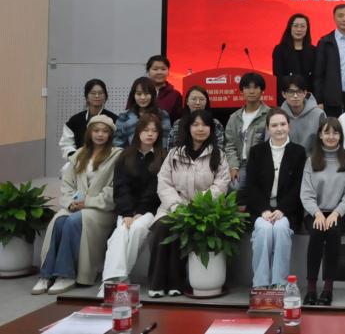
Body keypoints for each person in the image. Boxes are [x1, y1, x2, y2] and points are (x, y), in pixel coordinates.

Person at [33, 115, 121, 295]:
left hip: (100, 210)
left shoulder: (117, 155)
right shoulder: (79, 154)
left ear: (110, 135)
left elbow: (114, 190)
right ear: (89, 133)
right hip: (76, 206)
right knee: (59, 221)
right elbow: (67, 185)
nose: (100, 135)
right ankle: (46, 275)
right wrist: (70, 203)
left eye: (105, 131)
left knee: (73, 221)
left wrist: (87, 202)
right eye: (96, 131)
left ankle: (65, 275)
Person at [147, 109, 230, 297]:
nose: (200, 129)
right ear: (188, 128)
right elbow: (164, 183)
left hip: (205, 210)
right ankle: (157, 283)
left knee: (186, 230)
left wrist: (198, 205)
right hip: (175, 207)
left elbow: (221, 185)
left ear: (211, 129)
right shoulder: (175, 154)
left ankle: (176, 283)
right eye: (196, 124)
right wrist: (176, 205)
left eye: (205, 125)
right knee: (162, 227)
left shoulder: (219, 155)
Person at [98, 113, 165, 291]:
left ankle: (116, 281)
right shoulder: (125, 155)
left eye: (154, 131)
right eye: (146, 130)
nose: (150, 134)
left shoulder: (162, 157)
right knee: (120, 233)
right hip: (126, 210)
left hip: (150, 210)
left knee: (137, 229)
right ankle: (113, 281)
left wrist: (140, 212)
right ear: (138, 132)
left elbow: (155, 190)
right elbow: (120, 187)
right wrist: (127, 213)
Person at [245, 109, 307, 289]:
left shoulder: (298, 152)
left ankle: (280, 283)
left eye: (283, 124)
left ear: (289, 126)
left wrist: (282, 210)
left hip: (287, 210)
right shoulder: (257, 151)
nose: (279, 129)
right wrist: (263, 209)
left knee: (280, 229)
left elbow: (299, 186)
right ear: (267, 128)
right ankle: (260, 283)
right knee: (263, 230)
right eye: (274, 125)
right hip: (261, 210)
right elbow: (251, 185)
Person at [300, 118, 345, 306]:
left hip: (341, 214)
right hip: (315, 213)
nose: (331, 136)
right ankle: (310, 289)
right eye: (327, 132)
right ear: (320, 135)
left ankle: (327, 288)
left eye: (335, 132)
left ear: (341, 136)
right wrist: (317, 213)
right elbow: (306, 194)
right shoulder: (311, 160)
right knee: (317, 232)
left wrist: (335, 213)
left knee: (332, 232)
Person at [223, 72, 272, 192]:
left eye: (256, 87)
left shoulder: (270, 115)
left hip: (262, 164)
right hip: (241, 164)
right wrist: (234, 166)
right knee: (233, 187)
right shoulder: (234, 118)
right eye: (247, 88)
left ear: (262, 91)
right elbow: (229, 145)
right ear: (241, 91)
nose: (251, 91)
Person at [59, 79, 117, 164]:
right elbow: (66, 144)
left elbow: (117, 143)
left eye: (100, 93)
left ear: (105, 96)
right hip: (78, 162)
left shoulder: (114, 119)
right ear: (86, 96)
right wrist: (76, 157)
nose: (97, 96)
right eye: (93, 93)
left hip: (106, 163)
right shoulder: (75, 120)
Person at [113, 77, 172, 148]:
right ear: (133, 95)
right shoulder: (124, 116)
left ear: (153, 95)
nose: (142, 97)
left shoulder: (162, 115)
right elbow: (117, 141)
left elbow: (165, 141)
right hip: (130, 154)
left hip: (157, 154)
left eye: (146, 93)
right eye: (139, 94)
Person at [272, 13, 317, 106]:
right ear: (290, 28)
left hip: (308, 99)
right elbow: (278, 77)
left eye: (302, 26)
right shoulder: (280, 50)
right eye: (295, 26)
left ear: (307, 29)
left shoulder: (313, 50)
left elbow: (315, 77)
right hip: (287, 98)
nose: (299, 29)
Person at [168, 86, 225, 151]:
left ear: (206, 102)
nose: (198, 103)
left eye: (201, 99)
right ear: (187, 102)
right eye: (194, 99)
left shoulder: (215, 123)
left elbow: (220, 148)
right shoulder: (178, 124)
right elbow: (171, 149)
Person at [279, 74, 327, 152]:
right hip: (284, 158)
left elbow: (326, 142)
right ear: (283, 94)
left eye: (299, 91)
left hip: (313, 158)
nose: (295, 96)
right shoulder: (277, 116)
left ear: (305, 93)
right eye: (291, 92)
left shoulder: (319, 114)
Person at [145, 55, 184, 124]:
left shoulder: (175, 95)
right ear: (148, 71)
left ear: (168, 72)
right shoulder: (141, 92)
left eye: (163, 69)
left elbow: (178, 121)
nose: (159, 72)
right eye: (155, 69)